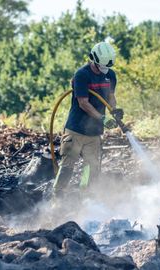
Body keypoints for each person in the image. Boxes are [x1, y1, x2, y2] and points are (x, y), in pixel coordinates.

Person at [52, 41, 124, 199]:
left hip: (94, 133)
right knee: (67, 166)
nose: (104, 71)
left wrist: (114, 110)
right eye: (101, 67)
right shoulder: (82, 75)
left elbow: (111, 96)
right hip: (76, 129)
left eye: (107, 67)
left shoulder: (110, 74)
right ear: (93, 59)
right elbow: (83, 103)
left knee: (90, 169)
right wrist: (102, 118)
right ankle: (57, 198)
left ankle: (85, 198)